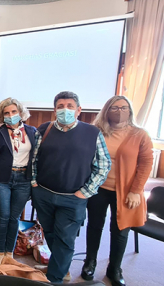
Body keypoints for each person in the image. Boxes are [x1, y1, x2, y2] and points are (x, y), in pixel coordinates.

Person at [31, 91, 111, 283]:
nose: (64, 110)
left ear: (78, 110)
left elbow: (103, 165)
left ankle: (55, 279)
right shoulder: (44, 129)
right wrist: (34, 183)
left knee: (66, 239)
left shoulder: (93, 133)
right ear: (54, 110)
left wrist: (86, 192)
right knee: (49, 233)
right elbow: (34, 159)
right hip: (44, 194)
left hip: (72, 199)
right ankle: (61, 266)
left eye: (69, 106)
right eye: (60, 106)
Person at [81, 96, 154, 286]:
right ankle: (90, 262)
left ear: (130, 110)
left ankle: (115, 268)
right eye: (114, 108)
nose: (119, 111)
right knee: (95, 225)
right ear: (107, 110)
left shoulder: (140, 134)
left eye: (123, 107)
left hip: (126, 191)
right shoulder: (96, 131)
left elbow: (146, 163)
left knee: (120, 230)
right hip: (98, 188)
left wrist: (136, 190)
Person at [0, 98, 36, 265]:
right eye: (7, 113)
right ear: (2, 116)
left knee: (14, 218)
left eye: (14, 112)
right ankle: (0, 251)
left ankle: (10, 251)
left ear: (20, 113)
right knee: (3, 216)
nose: (11, 115)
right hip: (2, 180)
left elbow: (36, 158)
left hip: (24, 180)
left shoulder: (32, 131)